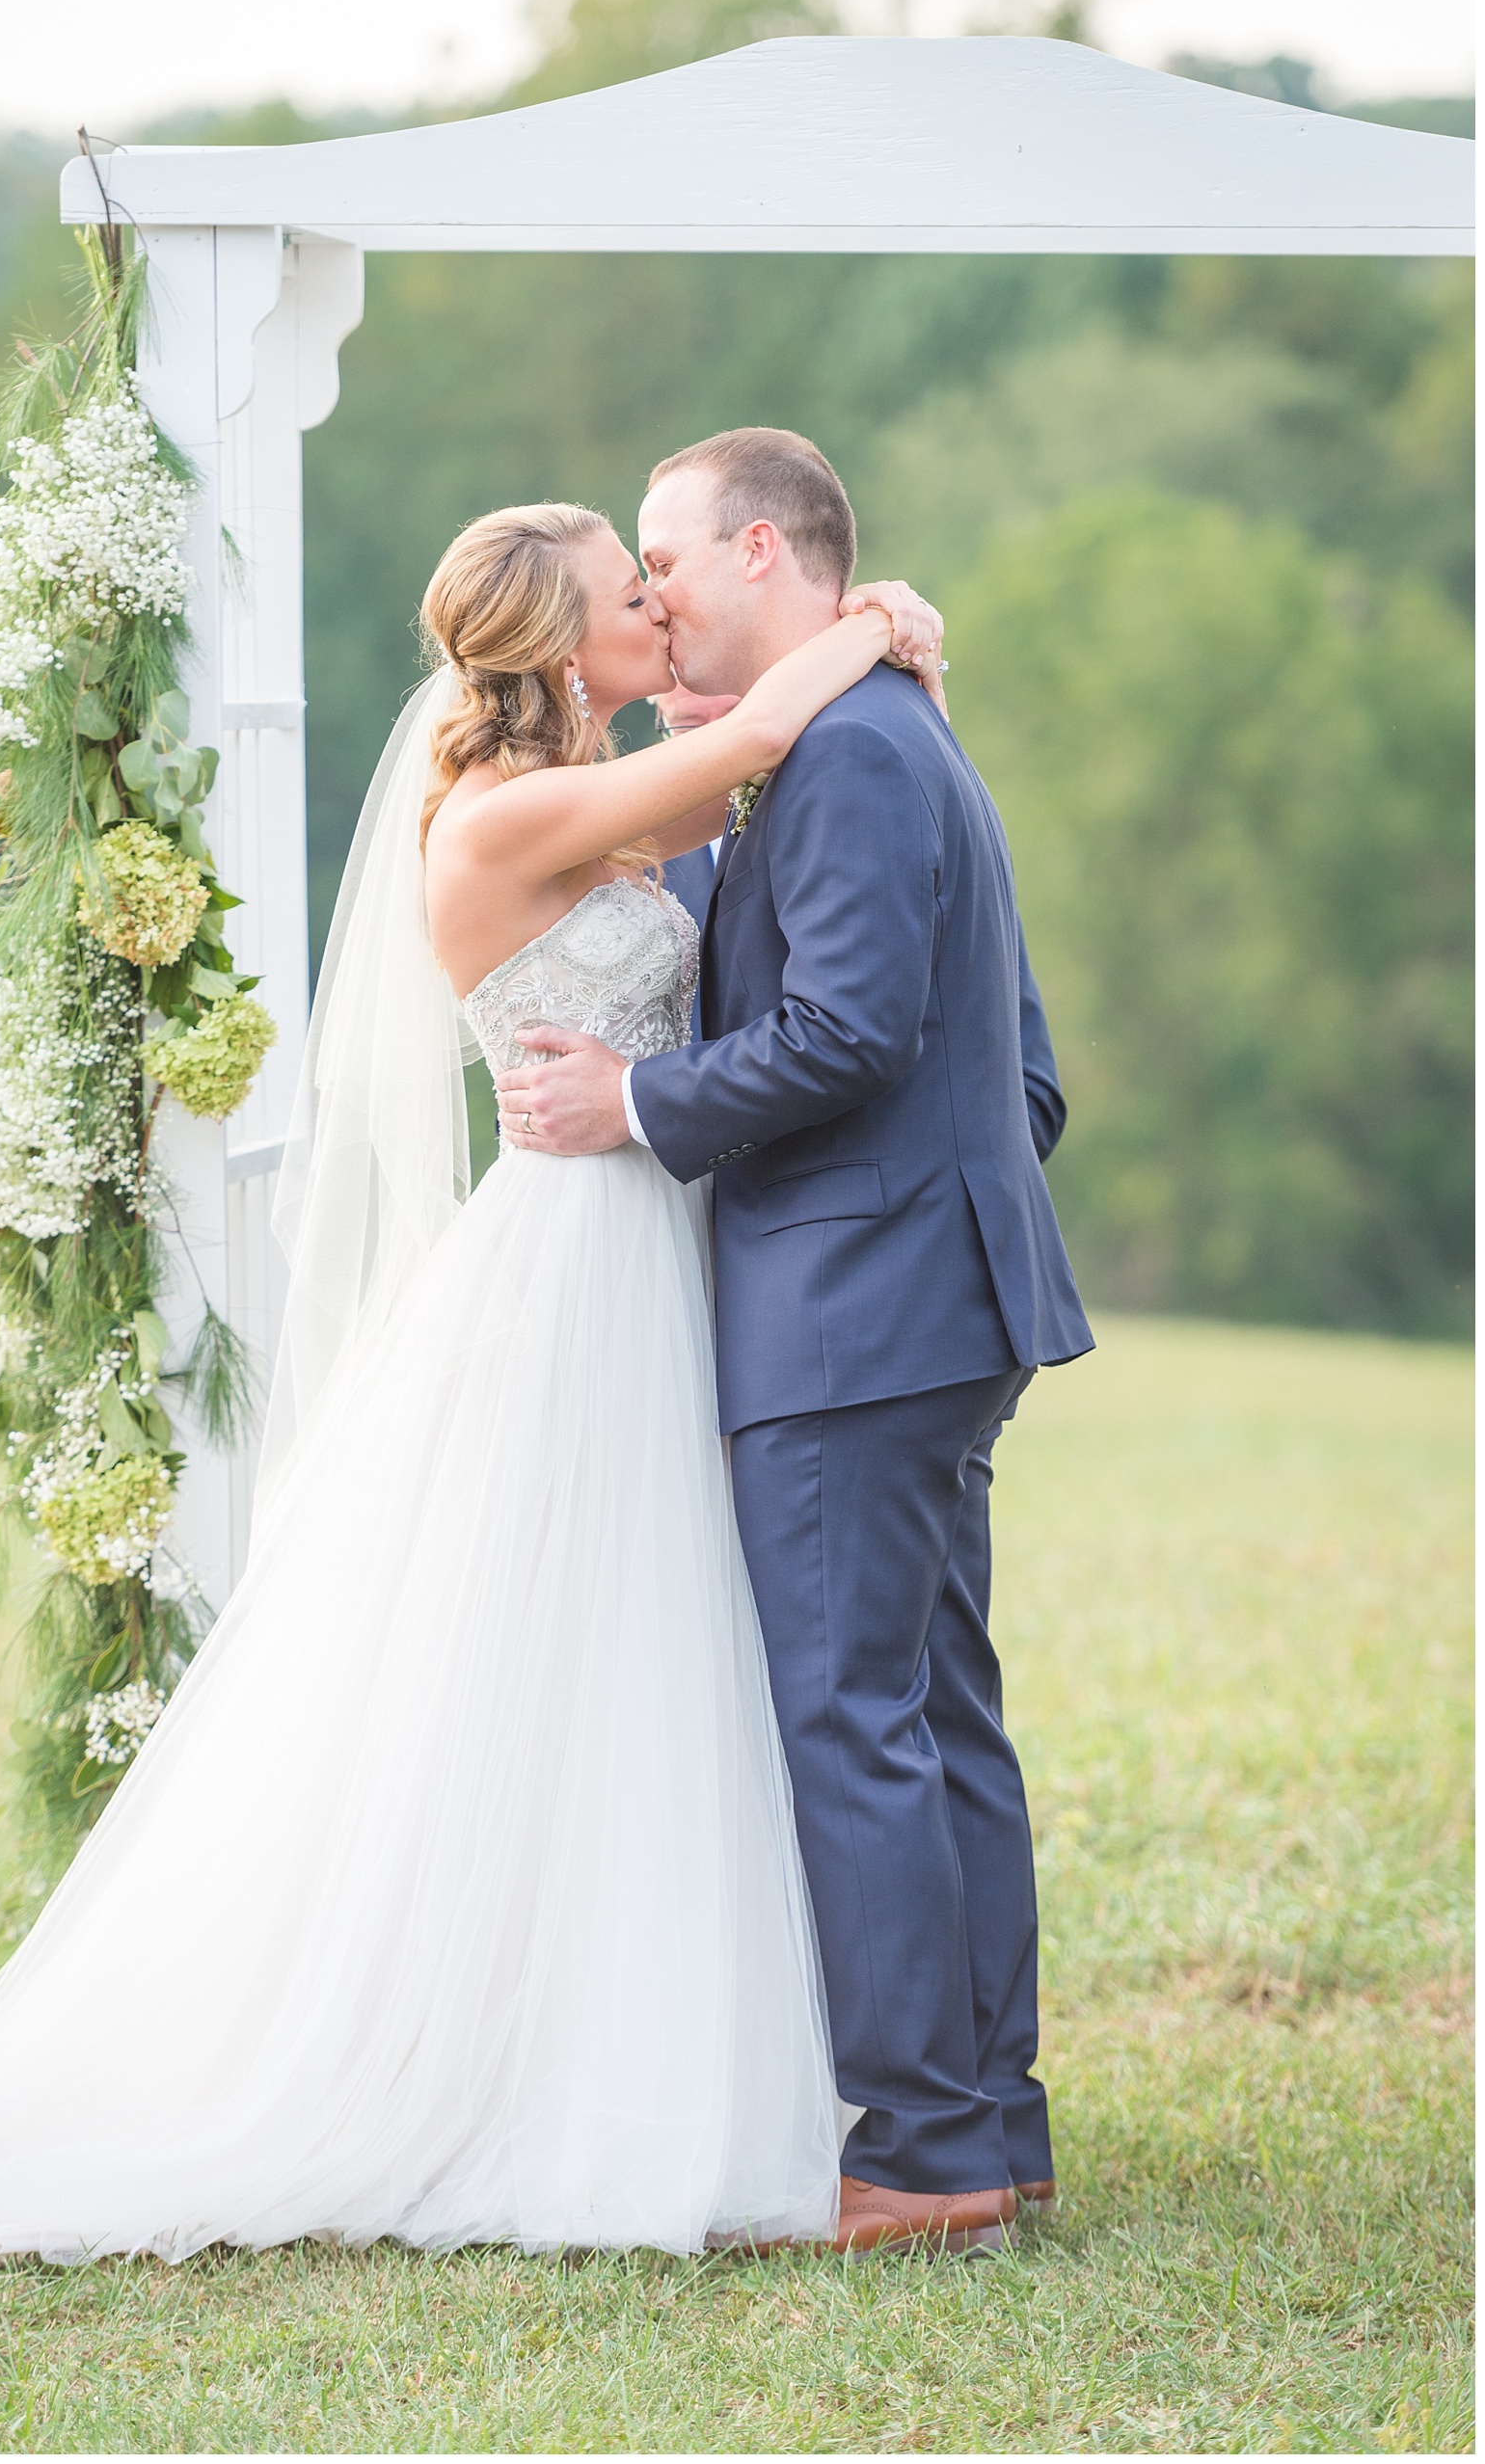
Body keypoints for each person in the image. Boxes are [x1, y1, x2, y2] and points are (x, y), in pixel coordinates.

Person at [0, 499, 944, 2270]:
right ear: (561, 646)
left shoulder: (590, 801)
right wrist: (888, 614)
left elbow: (750, 776)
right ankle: (506, 2061)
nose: (659, 609)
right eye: (633, 594)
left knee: (630, 1643)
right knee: (560, 1637)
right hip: (571, 1262)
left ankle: (616, 2026)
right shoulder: (506, 812)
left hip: (643, 1241)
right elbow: (770, 735)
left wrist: (831, 656)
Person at [496, 430, 1094, 2256]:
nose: (656, 595)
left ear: (764, 550)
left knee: (855, 1722)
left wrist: (640, 1103)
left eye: (670, 559)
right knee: (933, 1716)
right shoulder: (883, 732)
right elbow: (1025, 1072)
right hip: (925, 1297)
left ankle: (920, 2153)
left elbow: (843, 1034)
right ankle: (989, 2118)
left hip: (857, 1313)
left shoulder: (846, 752)